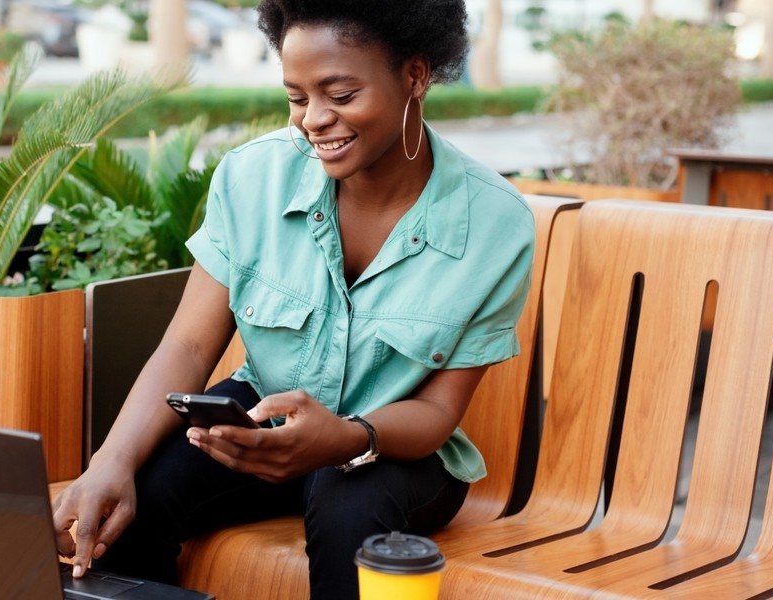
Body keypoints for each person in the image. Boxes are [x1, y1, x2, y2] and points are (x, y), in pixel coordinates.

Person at [52, 1, 535, 598]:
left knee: (348, 506)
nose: (314, 120)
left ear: (415, 75)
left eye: (341, 94)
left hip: (395, 447)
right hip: (264, 416)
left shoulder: (492, 222)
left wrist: (347, 438)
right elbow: (189, 343)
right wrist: (109, 461)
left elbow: (437, 411)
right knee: (136, 494)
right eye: (297, 97)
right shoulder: (252, 177)